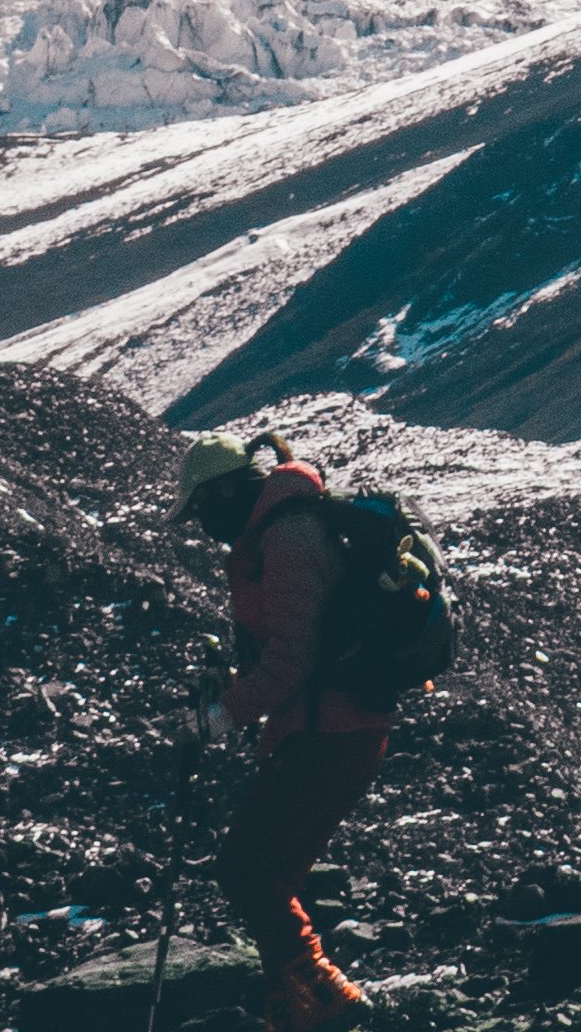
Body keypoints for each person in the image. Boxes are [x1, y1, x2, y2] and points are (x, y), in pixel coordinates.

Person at [183, 435, 411, 1030]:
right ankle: (291, 1004)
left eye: (203, 510)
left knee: (243, 867)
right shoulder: (278, 531)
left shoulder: (287, 539)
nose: (203, 525)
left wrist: (221, 714)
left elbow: (292, 659)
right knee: (267, 872)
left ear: (228, 490)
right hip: (327, 724)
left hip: (332, 728)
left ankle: (324, 993)